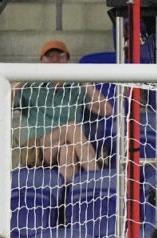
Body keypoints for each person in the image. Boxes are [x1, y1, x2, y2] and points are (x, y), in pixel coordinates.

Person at [12, 41, 113, 183]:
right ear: (41, 61)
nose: (55, 61)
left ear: (67, 61)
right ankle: (96, 181)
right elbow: (4, 100)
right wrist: (25, 76)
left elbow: (106, 110)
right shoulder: (31, 87)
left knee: (68, 151)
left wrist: (83, 80)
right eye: (50, 57)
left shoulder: (76, 86)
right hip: (37, 149)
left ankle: (65, 201)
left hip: (67, 148)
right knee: (71, 128)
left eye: (60, 57)